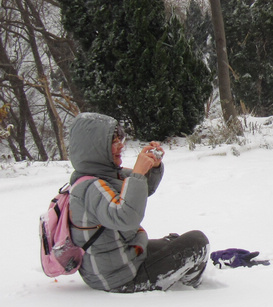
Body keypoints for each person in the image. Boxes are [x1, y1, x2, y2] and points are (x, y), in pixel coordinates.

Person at [66, 112, 209, 292]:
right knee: (197, 243)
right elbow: (127, 217)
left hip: (120, 262)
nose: (121, 146)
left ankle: (180, 276)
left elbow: (142, 190)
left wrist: (152, 166)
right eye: (113, 142)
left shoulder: (105, 176)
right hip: (120, 278)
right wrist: (138, 173)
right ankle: (189, 290)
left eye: (121, 139)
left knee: (174, 241)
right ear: (95, 148)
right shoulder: (91, 187)